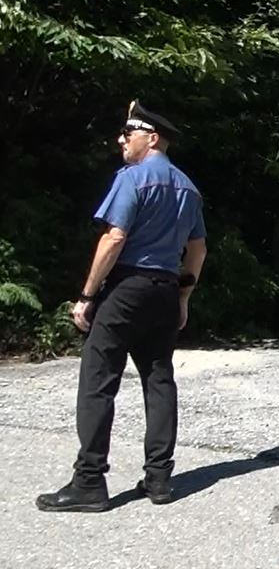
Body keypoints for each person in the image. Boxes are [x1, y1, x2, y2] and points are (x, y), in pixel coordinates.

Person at [35, 101, 208, 512]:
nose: (120, 140)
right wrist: (183, 298)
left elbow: (114, 238)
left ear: (152, 138)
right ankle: (160, 479)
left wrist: (87, 296)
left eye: (128, 134)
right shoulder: (188, 188)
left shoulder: (132, 178)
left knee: (98, 378)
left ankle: (89, 481)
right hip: (165, 291)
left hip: (128, 288)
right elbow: (198, 249)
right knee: (159, 380)